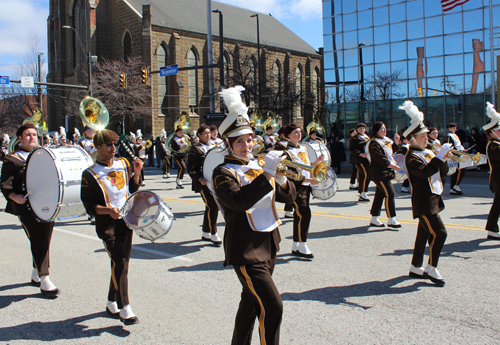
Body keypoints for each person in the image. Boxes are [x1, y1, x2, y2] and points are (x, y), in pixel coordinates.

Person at [212, 87, 296, 345]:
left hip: (269, 244)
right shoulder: (222, 172)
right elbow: (239, 201)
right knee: (273, 307)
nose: (247, 145)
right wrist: (266, 175)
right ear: (228, 144)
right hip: (246, 250)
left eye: (249, 139)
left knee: (249, 305)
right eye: (240, 141)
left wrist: (280, 177)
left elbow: (288, 198)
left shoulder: (258, 165)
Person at [80, 129, 143, 325]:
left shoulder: (124, 163)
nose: (113, 148)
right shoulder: (89, 174)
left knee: (121, 264)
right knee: (121, 262)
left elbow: (131, 190)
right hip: (107, 226)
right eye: (108, 144)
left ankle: (110, 301)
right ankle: (125, 307)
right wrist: (108, 211)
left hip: (126, 221)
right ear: (97, 147)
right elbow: (89, 207)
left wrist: (137, 173)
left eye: (114, 144)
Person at [0, 123, 61, 297]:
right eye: (28, 135)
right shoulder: (12, 159)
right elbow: (5, 183)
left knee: (44, 239)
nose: (32, 137)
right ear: (19, 139)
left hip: (47, 204)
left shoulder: (44, 155)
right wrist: (14, 197)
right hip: (26, 207)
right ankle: (45, 277)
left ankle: (36, 273)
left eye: (34, 134)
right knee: (37, 238)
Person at [400, 100, 451, 287]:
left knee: (423, 234)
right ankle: (432, 267)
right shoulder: (412, 156)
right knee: (440, 233)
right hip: (423, 202)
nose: (427, 139)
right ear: (412, 138)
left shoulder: (427, 151)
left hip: (433, 198)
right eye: (423, 136)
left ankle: (416, 266)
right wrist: (438, 157)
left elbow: (441, 172)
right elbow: (424, 172)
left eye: (426, 136)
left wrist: (443, 158)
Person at [283, 123, 324, 258]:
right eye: (296, 132)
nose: (299, 134)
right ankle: (303, 244)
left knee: (299, 215)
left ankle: (296, 245)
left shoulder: (303, 148)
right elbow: (290, 174)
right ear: (288, 135)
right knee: (304, 213)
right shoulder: (286, 152)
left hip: (305, 186)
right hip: (295, 187)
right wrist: (308, 180)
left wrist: (316, 162)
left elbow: (305, 167)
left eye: (300, 132)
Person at [187, 124, 222, 245]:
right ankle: (213, 233)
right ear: (199, 135)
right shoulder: (195, 149)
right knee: (213, 205)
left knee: (210, 206)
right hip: (202, 183)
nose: (208, 135)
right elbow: (190, 169)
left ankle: (205, 232)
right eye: (205, 133)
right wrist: (199, 179)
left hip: (213, 181)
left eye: (209, 133)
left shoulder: (214, 146)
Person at [367, 121, 402, 228]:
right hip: (379, 173)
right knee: (390, 193)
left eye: (385, 128)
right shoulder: (374, 142)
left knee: (380, 195)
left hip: (385, 172)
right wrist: (393, 165)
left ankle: (374, 218)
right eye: (382, 128)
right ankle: (391, 219)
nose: (385, 130)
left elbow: (390, 152)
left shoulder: (385, 140)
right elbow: (380, 158)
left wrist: (396, 143)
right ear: (376, 130)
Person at [483, 102, 500, 240]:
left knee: (497, 205)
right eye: (499, 131)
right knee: (497, 205)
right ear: (492, 132)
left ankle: (492, 229)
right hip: (499, 179)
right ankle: (492, 229)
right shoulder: (494, 145)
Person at [443, 123, 466, 195]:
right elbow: (449, 146)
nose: (455, 129)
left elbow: (458, 145)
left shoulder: (454, 135)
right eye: (454, 128)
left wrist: (463, 150)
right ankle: (454, 186)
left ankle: (454, 186)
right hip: (454, 156)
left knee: (458, 171)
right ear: (449, 128)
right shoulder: (448, 136)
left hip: (459, 155)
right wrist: (455, 154)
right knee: (458, 171)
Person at [352, 123, 371, 202]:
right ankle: (363, 193)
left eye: (363, 128)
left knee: (364, 176)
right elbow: (352, 149)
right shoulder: (355, 138)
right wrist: (360, 154)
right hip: (360, 160)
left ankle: (362, 192)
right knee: (367, 175)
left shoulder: (367, 137)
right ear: (357, 130)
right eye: (360, 128)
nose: (362, 130)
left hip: (367, 159)